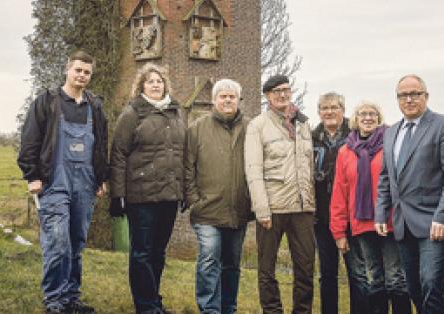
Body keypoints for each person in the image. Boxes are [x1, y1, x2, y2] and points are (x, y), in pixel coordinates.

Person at [17, 51, 109, 314]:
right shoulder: (46, 102)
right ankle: (55, 301)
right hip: (53, 181)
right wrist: (32, 175)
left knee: (77, 241)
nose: (82, 75)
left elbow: (101, 143)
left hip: (85, 182)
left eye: (87, 72)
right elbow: (30, 141)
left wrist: (101, 177)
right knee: (58, 241)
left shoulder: (95, 106)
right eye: (78, 70)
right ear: (67, 70)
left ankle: (71, 298)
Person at [375, 74, 444, 313]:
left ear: (426, 96)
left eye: (415, 93)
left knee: (431, 283)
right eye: (403, 95)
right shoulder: (391, 133)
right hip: (403, 222)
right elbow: (386, 177)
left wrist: (443, 217)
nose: (409, 99)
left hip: (434, 221)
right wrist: (380, 213)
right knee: (414, 286)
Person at [110, 63, 186, 314]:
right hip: (140, 195)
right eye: (150, 81)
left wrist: (183, 189)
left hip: (168, 194)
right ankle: (145, 306)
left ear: (166, 84)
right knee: (141, 252)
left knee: (158, 251)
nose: (156, 85)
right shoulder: (133, 113)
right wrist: (118, 195)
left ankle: (154, 301)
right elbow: (119, 154)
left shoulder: (177, 112)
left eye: (159, 81)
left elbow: (182, 153)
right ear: (141, 85)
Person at [244, 75, 316, 314]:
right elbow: (253, 170)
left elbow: (309, 166)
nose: (282, 95)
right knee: (267, 269)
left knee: (305, 268)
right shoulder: (257, 125)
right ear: (267, 96)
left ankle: (302, 311)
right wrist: (261, 209)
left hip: (302, 208)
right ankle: (272, 310)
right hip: (272, 209)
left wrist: (311, 201)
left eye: (286, 90)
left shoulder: (303, 124)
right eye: (276, 91)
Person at [331, 100, 410, 314]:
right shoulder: (345, 152)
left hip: (389, 221)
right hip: (362, 223)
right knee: (375, 278)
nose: (368, 118)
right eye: (363, 114)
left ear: (379, 118)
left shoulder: (391, 143)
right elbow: (340, 192)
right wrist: (338, 230)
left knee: (396, 278)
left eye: (372, 114)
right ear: (355, 119)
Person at [183, 78, 252, 314]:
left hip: (238, 210)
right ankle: (209, 309)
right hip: (207, 211)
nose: (227, 100)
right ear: (214, 100)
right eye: (222, 96)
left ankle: (228, 308)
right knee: (209, 258)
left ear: (238, 100)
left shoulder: (251, 128)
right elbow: (187, 167)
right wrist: (193, 199)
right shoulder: (197, 128)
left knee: (232, 264)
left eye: (232, 96)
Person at [311, 92, 353, 314]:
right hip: (322, 215)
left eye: (334, 107)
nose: (329, 112)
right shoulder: (312, 137)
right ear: (319, 112)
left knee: (356, 272)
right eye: (324, 108)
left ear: (343, 110)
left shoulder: (354, 134)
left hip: (350, 215)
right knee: (327, 272)